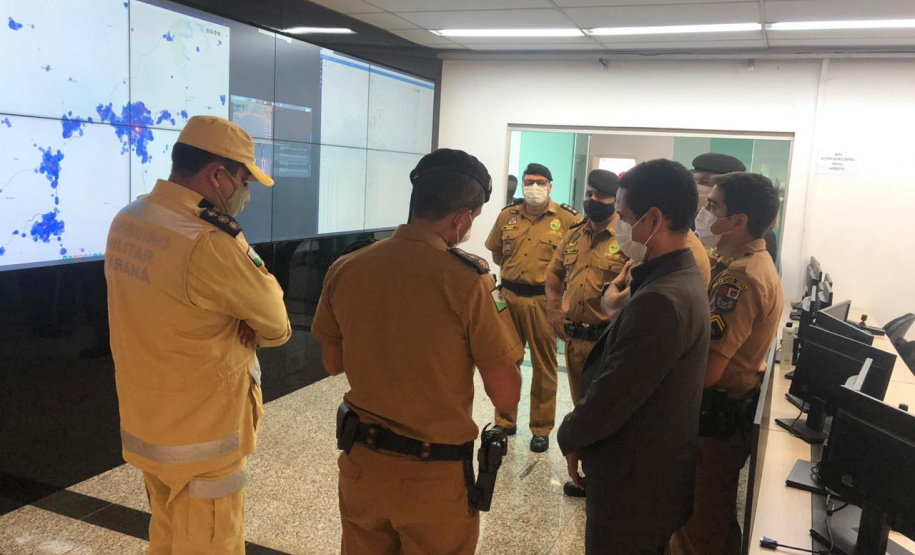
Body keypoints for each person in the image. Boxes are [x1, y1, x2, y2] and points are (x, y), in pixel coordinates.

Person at [311, 148, 524, 555]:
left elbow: (332, 363)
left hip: (362, 467)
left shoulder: (347, 267)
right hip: (434, 480)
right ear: (462, 217)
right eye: (473, 219)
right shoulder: (470, 283)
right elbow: (506, 396)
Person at [105, 115, 291, 554]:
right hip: (203, 443)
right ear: (217, 175)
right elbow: (278, 323)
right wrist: (241, 319)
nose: (244, 193)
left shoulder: (128, 219)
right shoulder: (209, 240)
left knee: (167, 541)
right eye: (243, 179)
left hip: (148, 426)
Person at [557, 159, 711, 554]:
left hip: (634, 483)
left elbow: (616, 391)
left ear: (654, 219)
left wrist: (571, 436)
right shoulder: (679, 277)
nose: (619, 227)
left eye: (624, 217)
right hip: (653, 477)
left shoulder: (661, 298)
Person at [671, 172, 783, 555]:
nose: (704, 211)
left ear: (739, 221)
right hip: (722, 416)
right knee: (714, 516)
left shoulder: (741, 277)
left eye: (714, 205)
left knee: (697, 525)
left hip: (715, 419)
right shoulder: (745, 259)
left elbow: (708, 371)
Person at [485, 163, 581, 452]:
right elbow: (497, 253)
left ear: (550, 186)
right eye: (529, 182)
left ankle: (540, 428)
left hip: (543, 300)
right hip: (509, 297)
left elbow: (574, 263)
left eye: (540, 182)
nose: (533, 187)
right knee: (506, 361)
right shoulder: (507, 216)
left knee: (544, 365)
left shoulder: (567, 219)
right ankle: (504, 421)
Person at [544, 169, 627, 495]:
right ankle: (589, 476)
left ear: (615, 199)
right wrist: (553, 309)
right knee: (582, 411)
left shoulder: (626, 237)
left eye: (601, 195)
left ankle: (605, 479)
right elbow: (553, 273)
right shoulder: (574, 234)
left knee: (604, 414)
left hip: (607, 344)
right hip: (576, 341)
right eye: (589, 193)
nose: (592, 200)